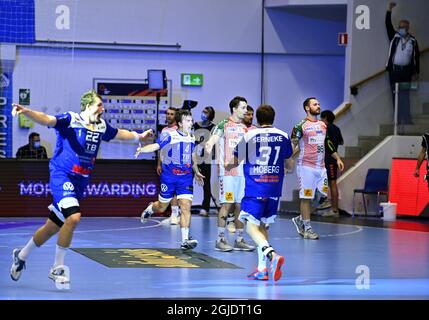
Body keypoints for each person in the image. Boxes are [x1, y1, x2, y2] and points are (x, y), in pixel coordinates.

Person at [9, 90, 153, 288]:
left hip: (81, 180)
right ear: (88, 105)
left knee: (52, 227)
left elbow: (119, 134)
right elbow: (47, 119)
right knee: (74, 217)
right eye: (99, 105)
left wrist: (139, 136)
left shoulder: (101, 126)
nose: (102, 109)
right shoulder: (71, 119)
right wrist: (26, 111)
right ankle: (57, 268)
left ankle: (21, 255)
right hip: (62, 175)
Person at [229, 104, 293, 281]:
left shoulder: (250, 135)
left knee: (251, 227)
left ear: (257, 119)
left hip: (255, 186)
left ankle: (272, 255)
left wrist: (227, 165)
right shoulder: (283, 135)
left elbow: (235, 160)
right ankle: (262, 269)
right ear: (274, 118)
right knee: (263, 227)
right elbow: (289, 163)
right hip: (274, 188)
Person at [137, 109, 205, 250]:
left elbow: (192, 157)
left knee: (186, 206)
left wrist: (197, 171)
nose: (191, 123)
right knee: (162, 206)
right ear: (180, 123)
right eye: (187, 120)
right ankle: (150, 208)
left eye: (191, 120)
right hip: (168, 177)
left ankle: (185, 240)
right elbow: (156, 146)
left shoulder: (192, 137)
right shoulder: (169, 135)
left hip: (185, 178)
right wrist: (142, 150)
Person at [205, 96, 255, 252]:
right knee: (226, 205)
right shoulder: (224, 124)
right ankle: (220, 239)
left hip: (243, 174)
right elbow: (213, 139)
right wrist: (209, 145)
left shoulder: (246, 128)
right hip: (227, 173)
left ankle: (239, 240)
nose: (246, 111)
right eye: (243, 107)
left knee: (241, 206)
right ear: (234, 108)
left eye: (246, 108)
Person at [291, 97, 344, 240]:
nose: (318, 106)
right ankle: (307, 228)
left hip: (321, 168)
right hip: (306, 167)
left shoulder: (323, 125)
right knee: (306, 197)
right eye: (315, 104)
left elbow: (328, 143)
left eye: (319, 104)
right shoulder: (300, 126)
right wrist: (288, 158)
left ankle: (300, 219)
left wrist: (337, 158)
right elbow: (293, 144)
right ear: (307, 108)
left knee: (322, 197)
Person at [386, 2, 420, 125]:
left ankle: (407, 119)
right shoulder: (394, 37)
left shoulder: (413, 41)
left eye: (404, 27)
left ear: (408, 28)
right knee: (395, 96)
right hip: (394, 72)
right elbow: (388, 25)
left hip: (406, 73)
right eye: (400, 27)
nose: (402, 29)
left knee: (405, 96)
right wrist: (389, 10)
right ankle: (397, 120)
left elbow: (416, 57)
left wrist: (416, 72)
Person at [225, 104, 257, 232]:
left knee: (241, 200)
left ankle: (241, 225)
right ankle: (230, 219)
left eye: (251, 114)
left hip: (248, 169)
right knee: (230, 200)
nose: (250, 116)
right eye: (247, 113)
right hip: (232, 169)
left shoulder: (254, 130)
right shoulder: (230, 126)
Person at [157, 107, 181, 225]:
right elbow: (161, 148)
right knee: (169, 191)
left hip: (177, 164)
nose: (168, 116)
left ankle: (175, 215)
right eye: (167, 113)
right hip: (166, 165)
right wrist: (159, 164)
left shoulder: (179, 130)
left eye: (171, 114)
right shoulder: (164, 130)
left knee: (176, 191)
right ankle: (174, 214)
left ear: (176, 116)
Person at [318, 110, 344, 217]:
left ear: (325, 118)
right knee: (330, 183)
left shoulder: (325, 128)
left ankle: (334, 209)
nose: (320, 120)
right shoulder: (337, 129)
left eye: (321, 118)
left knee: (332, 183)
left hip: (328, 159)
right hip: (332, 158)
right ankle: (331, 207)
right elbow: (341, 142)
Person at [193, 106, 216, 217]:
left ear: (210, 115)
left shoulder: (214, 127)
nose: (204, 113)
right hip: (194, 156)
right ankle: (185, 204)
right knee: (188, 180)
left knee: (206, 183)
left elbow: (214, 143)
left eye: (206, 112)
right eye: (203, 111)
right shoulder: (196, 125)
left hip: (206, 157)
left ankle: (205, 207)